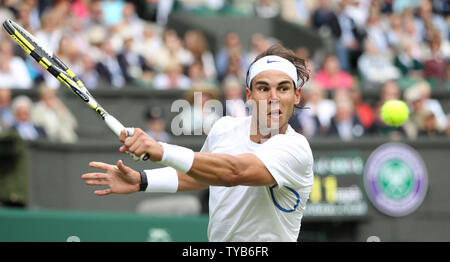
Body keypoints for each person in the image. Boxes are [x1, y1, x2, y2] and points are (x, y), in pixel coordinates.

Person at [82, 44, 314, 242]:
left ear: (296, 95)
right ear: (249, 95)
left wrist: (161, 150)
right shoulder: (224, 128)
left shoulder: (296, 148)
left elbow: (232, 172)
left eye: (283, 88)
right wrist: (143, 180)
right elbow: (200, 173)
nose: (273, 97)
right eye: (263, 88)